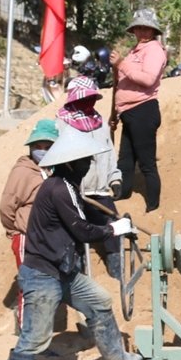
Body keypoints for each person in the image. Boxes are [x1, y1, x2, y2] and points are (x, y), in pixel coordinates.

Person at [6, 127, 141, 360]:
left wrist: (112, 221)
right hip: (42, 274)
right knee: (34, 339)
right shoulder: (57, 188)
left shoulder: (66, 186)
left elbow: (83, 218)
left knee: (100, 302)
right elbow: (80, 230)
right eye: (85, 161)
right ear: (71, 163)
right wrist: (112, 231)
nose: (89, 166)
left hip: (64, 271)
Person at [58, 76, 125, 277]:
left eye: (91, 99)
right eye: (83, 99)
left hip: (100, 189)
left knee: (113, 224)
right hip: (77, 190)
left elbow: (108, 152)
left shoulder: (100, 123)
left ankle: (116, 267)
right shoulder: (63, 123)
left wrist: (115, 178)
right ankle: (76, 270)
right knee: (73, 229)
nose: (88, 103)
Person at [111, 10, 168, 212]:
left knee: (146, 163)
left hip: (142, 110)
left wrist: (121, 64)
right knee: (125, 159)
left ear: (153, 30)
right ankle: (124, 192)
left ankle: (153, 206)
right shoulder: (136, 50)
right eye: (139, 27)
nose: (142, 31)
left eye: (146, 28)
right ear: (134, 29)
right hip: (129, 112)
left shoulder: (154, 50)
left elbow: (147, 79)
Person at [0, 119, 59, 267]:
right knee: (29, 283)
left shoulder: (56, 170)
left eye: (48, 147)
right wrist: (14, 231)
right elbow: (6, 206)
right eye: (38, 147)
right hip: (27, 236)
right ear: (31, 148)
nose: (42, 151)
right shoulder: (23, 171)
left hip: (50, 236)